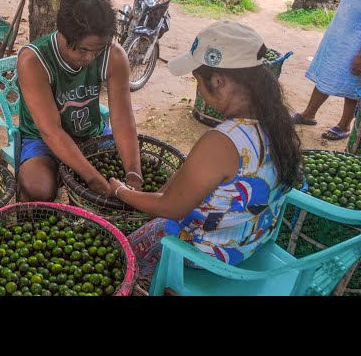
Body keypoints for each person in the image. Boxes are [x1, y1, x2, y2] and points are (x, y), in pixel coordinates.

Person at [109, 20, 302, 281]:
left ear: (219, 81)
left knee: (117, 255)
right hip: (249, 241)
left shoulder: (222, 142)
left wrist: (121, 191)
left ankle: (139, 280)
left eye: (197, 81)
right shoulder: (278, 124)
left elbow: (170, 208)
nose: (198, 89)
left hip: (207, 255)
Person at [16, 0, 142, 202]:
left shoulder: (114, 55)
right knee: (37, 189)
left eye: (98, 49)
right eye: (83, 50)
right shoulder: (34, 61)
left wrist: (133, 173)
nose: (91, 58)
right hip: (42, 140)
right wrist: (93, 179)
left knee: (143, 167)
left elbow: (122, 119)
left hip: (92, 134)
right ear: (64, 35)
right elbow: (51, 131)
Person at [292, 0, 361, 140]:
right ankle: (308, 114)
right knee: (327, 71)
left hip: (357, 42)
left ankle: (344, 125)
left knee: (353, 83)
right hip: (342, 36)